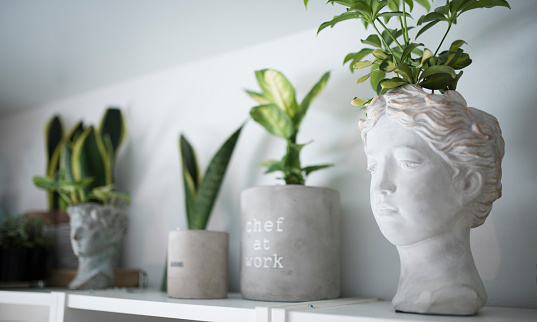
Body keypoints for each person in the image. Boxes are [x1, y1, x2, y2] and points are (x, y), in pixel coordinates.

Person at [359, 84, 504, 315]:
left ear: (468, 184)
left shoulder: (457, 295)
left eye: (407, 163)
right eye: (373, 167)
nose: (381, 186)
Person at [68, 204, 127, 290]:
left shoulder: (100, 278)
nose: (75, 236)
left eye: (85, 228)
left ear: (111, 234)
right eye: (72, 228)